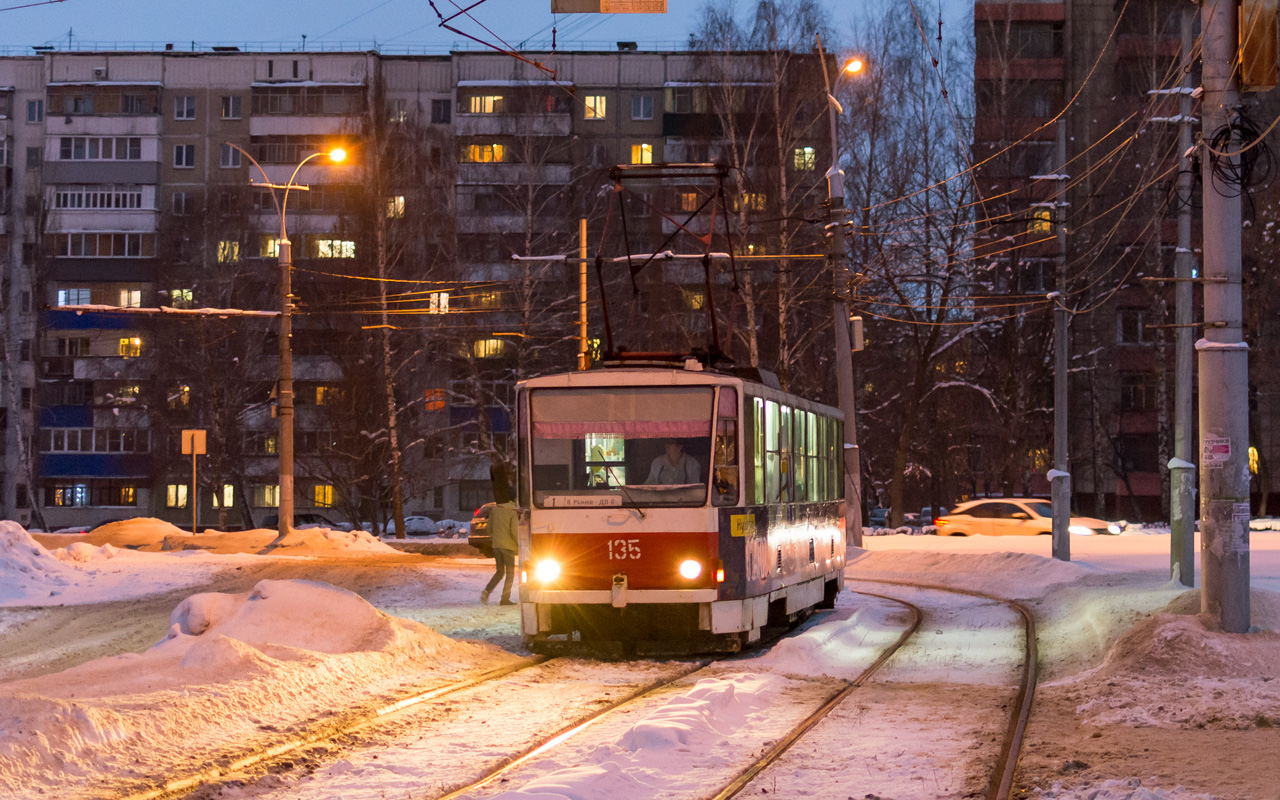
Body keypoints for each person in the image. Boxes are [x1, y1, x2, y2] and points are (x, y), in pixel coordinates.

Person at [482, 482, 519, 606]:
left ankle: (487, 591)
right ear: (514, 497)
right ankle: (504, 599)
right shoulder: (512, 511)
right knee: (510, 573)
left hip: (497, 546)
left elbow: (489, 528)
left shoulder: (496, 510)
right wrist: (518, 544)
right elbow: (514, 531)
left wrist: (495, 538)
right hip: (508, 547)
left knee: (499, 572)